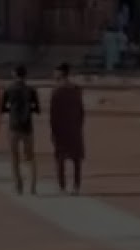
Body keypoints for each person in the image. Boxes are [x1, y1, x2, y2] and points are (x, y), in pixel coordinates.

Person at [0, 65, 40, 194]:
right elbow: (37, 109)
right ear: (25, 75)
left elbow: (2, 109)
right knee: (30, 157)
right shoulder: (31, 90)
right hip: (27, 126)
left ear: (13, 74)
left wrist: (11, 110)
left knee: (14, 157)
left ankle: (18, 186)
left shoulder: (9, 89)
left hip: (14, 126)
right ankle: (33, 186)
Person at [49, 63, 85, 194]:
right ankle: (76, 186)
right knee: (76, 160)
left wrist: (53, 131)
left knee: (60, 159)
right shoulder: (76, 89)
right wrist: (79, 125)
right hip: (74, 128)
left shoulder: (56, 91)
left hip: (61, 129)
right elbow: (81, 111)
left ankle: (62, 186)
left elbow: (53, 114)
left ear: (60, 73)